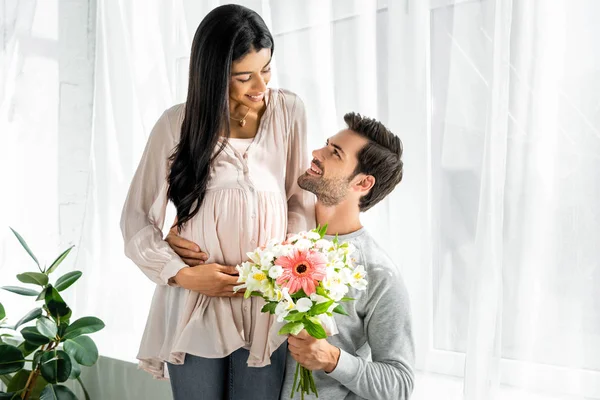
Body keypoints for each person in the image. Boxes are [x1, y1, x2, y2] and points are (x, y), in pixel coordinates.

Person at [119, 4, 314, 400]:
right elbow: (137, 220)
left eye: (267, 69)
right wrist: (182, 274)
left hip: (264, 304)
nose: (260, 86)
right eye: (245, 76)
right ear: (214, 74)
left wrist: (281, 263)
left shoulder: (288, 112)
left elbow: (300, 201)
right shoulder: (177, 124)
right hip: (194, 305)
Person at [167, 112, 415, 399]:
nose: (316, 153)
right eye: (326, 144)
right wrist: (181, 230)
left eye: (334, 153)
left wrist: (333, 359)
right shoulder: (277, 226)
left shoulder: (377, 272)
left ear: (362, 183)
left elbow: (400, 384)